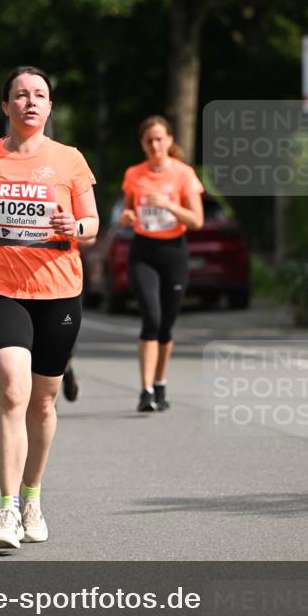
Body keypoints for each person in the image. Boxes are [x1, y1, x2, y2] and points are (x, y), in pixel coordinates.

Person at [0, 66, 99, 549]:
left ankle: (33, 496)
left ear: (50, 107)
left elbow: (92, 223)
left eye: (39, 95)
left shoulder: (69, 159)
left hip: (59, 289)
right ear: (6, 105)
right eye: (20, 94)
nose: (30, 102)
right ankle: (7, 509)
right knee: (14, 393)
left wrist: (74, 227)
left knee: (42, 401)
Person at [120, 115, 204, 413]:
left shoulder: (183, 174)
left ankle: (160, 383)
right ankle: (145, 391)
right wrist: (127, 217)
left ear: (169, 140)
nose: (154, 145)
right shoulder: (134, 174)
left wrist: (169, 204)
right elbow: (127, 211)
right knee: (151, 319)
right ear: (142, 144)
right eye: (149, 140)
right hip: (143, 252)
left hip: (174, 253)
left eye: (159, 139)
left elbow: (196, 220)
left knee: (166, 326)